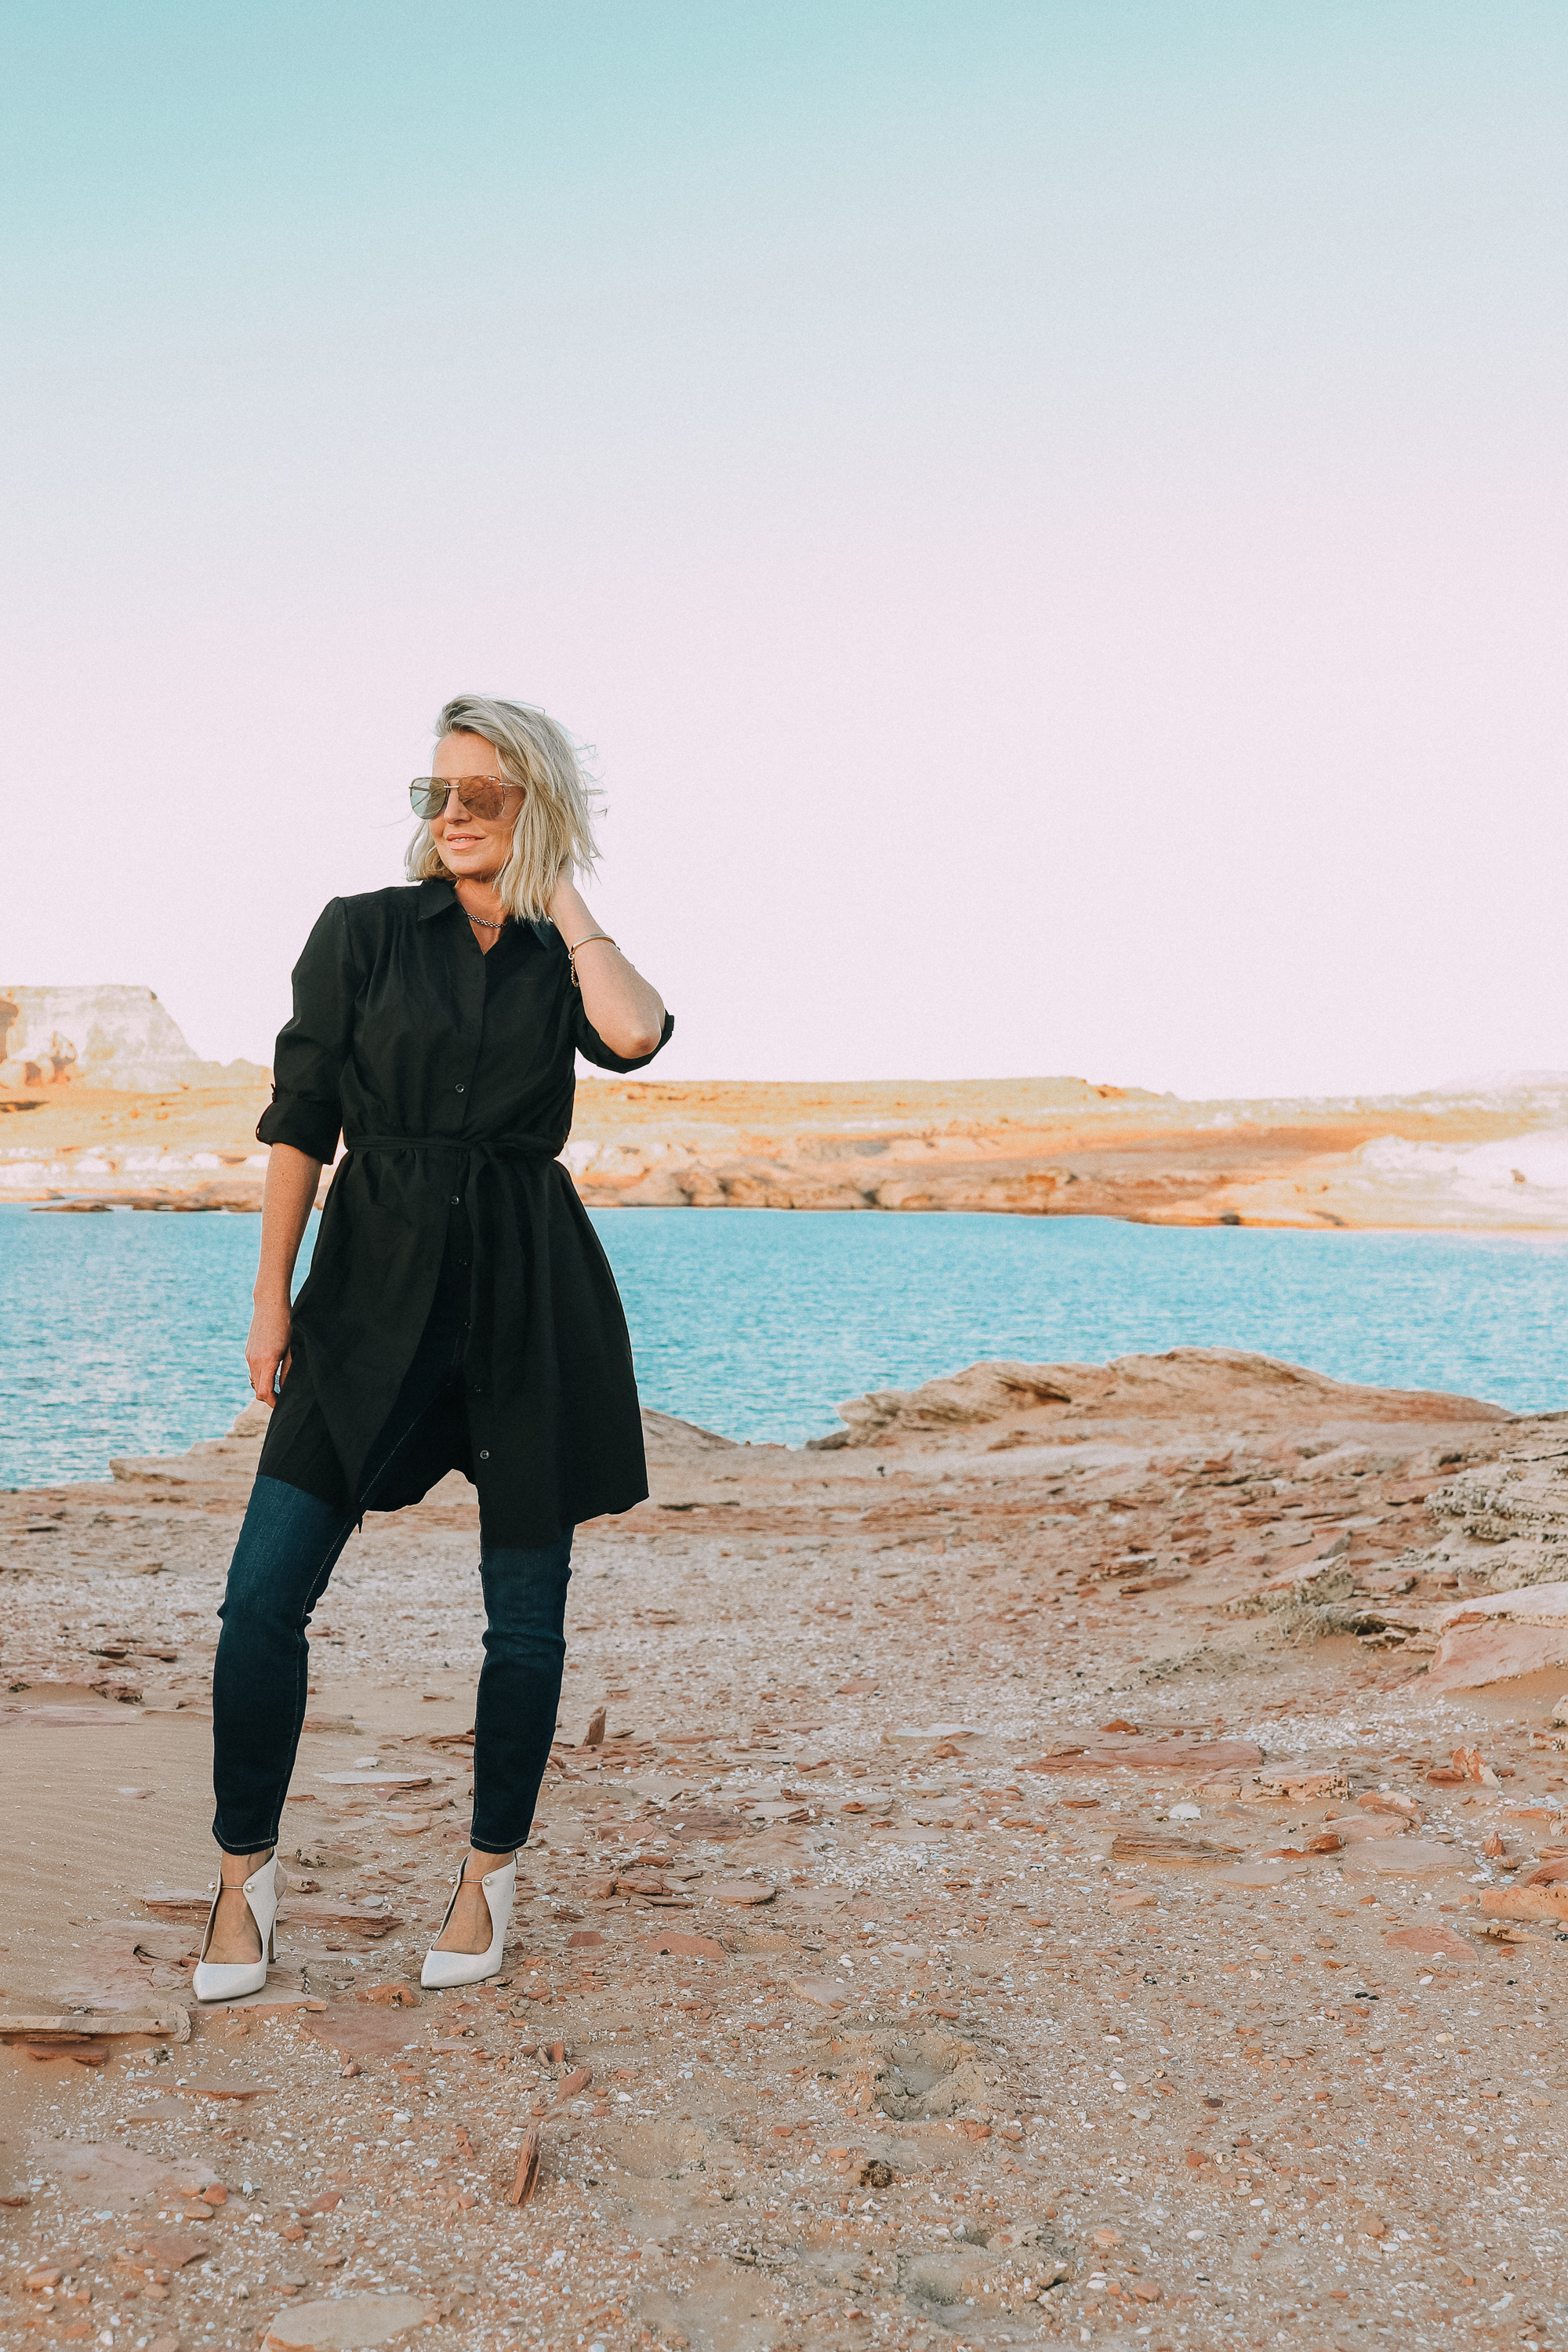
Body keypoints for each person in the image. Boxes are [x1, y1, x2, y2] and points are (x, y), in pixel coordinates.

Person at [193, 695, 670, 2001]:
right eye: (436, 791)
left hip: (528, 1303)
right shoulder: (359, 934)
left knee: (522, 1630)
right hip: (365, 1297)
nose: (451, 811)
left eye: (487, 792)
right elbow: (301, 1123)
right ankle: (243, 1880)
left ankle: (487, 1876)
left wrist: (560, 894)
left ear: (538, 809)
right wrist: (270, 1299)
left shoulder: (556, 954)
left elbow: (635, 1032)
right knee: (259, 1602)